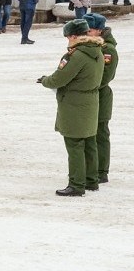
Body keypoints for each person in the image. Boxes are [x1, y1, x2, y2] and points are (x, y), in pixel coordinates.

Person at [38, 19, 104, 196]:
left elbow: (59, 79)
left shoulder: (77, 56)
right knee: (90, 143)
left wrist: (44, 80)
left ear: (75, 36)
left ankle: (76, 184)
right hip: (91, 102)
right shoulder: (97, 51)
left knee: (74, 144)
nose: (68, 41)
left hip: (74, 104)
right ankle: (91, 180)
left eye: (68, 37)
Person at [82, 13, 119, 184]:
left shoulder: (108, 49)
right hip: (89, 96)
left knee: (100, 134)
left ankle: (101, 171)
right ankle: (90, 169)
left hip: (100, 96)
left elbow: (105, 77)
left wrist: (83, 85)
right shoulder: (88, 45)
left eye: (88, 30)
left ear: (99, 31)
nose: (85, 33)